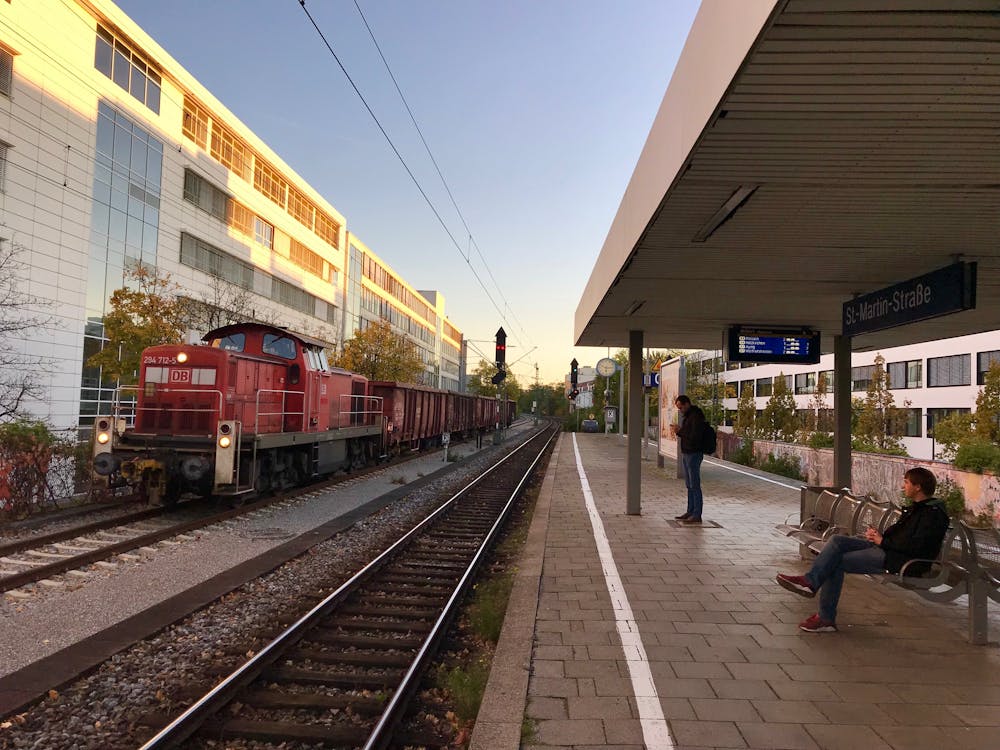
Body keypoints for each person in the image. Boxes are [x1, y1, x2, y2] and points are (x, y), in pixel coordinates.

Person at [776, 467, 949, 633]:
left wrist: (883, 542)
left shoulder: (932, 514)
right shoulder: (919, 508)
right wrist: (878, 536)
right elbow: (902, 536)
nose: (903, 486)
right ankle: (810, 583)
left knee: (834, 562)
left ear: (918, 487)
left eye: (906, 482)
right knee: (837, 541)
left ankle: (824, 617)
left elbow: (917, 546)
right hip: (888, 548)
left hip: (900, 560)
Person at [669, 394, 706, 524]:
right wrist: (680, 431)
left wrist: (680, 430)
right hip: (687, 453)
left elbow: (694, 436)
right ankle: (690, 511)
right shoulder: (689, 417)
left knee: (694, 484)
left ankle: (697, 514)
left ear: (687, 404)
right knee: (689, 484)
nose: (680, 410)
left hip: (694, 454)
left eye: (681, 407)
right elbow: (688, 433)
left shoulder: (696, 416)